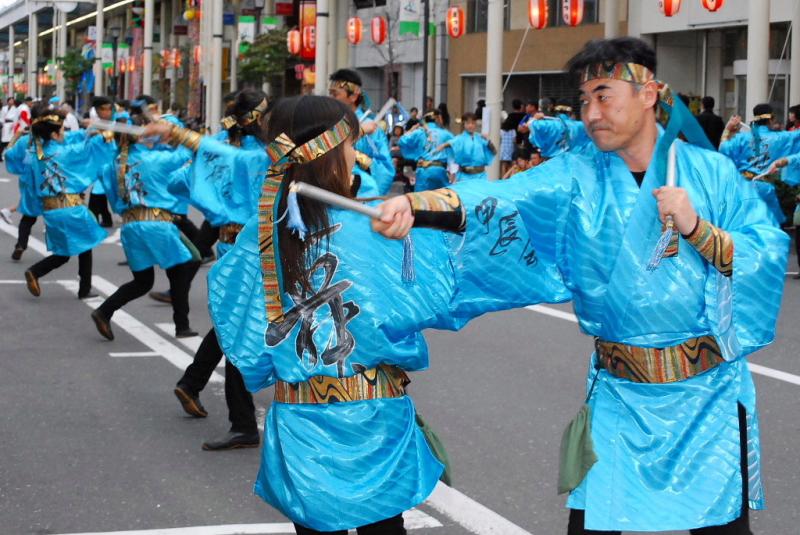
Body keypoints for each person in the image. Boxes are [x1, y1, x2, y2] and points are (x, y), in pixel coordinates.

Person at [374, 37, 787, 535]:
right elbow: (503, 197)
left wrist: (699, 229)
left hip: (707, 396)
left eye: (604, 95)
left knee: (720, 527)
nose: (591, 112)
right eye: (585, 98)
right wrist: (420, 207)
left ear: (649, 93)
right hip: (620, 393)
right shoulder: (577, 176)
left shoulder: (711, 173)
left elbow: (766, 249)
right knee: (593, 527)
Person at [142, 93, 565, 534]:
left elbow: (246, 344)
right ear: (330, 153)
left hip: (299, 421)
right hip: (373, 419)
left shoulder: (256, 242)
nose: (355, 156)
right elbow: (456, 275)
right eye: (350, 146)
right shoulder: (374, 228)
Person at [168, 89, 270, 451]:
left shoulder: (218, 149)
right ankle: (243, 422)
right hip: (257, 250)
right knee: (242, 329)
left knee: (236, 324)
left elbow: (177, 182)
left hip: (232, 246)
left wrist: (199, 156)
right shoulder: (260, 155)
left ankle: (193, 382)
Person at [90, 105, 200, 341]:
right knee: (183, 268)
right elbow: (189, 151)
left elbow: (111, 196)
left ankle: (104, 311)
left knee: (143, 281)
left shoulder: (114, 163)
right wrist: (172, 130)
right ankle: (182, 325)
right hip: (157, 225)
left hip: (130, 226)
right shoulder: (156, 159)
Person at [4, 104, 113, 299]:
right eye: (62, 130)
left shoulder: (36, 149)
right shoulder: (65, 153)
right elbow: (89, 149)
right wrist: (105, 133)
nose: (65, 133)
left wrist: (90, 130)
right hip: (70, 208)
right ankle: (80, 287)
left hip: (51, 210)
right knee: (84, 245)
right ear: (54, 134)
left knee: (67, 251)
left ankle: (38, 272)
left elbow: (11, 155)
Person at [719, 103, 800, 226]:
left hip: (742, 187)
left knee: (742, 227)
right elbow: (797, 136)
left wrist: (728, 129)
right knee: (769, 228)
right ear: (771, 119)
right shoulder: (780, 138)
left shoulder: (742, 138)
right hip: (764, 189)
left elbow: (723, 149)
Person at [328, 68, 393, 195]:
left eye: (335, 94)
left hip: (359, 192)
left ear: (353, 96)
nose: (331, 98)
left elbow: (385, 170)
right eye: (330, 93)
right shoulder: (328, 123)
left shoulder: (372, 128)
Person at [398, 109, 454, 191]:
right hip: (440, 170)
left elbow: (402, 141)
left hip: (424, 170)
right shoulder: (446, 134)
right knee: (442, 199)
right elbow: (456, 148)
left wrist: (411, 130)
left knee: (421, 199)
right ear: (438, 119)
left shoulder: (418, 132)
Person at [435, 112, 495, 182]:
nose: (470, 125)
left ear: (475, 124)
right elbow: (452, 142)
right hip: (465, 176)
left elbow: (492, 149)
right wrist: (442, 146)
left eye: (472, 123)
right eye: (468, 123)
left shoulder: (479, 137)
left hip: (480, 175)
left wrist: (487, 141)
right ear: (464, 124)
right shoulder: (460, 138)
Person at [88, 96, 115, 228]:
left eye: (109, 109)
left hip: (116, 166)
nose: (107, 112)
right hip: (101, 168)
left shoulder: (116, 125)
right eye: (103, 109)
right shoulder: (94, 127)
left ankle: (96, 220)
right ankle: (105, 218)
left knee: (98, 194)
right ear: (97, 111)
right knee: (99, 193)